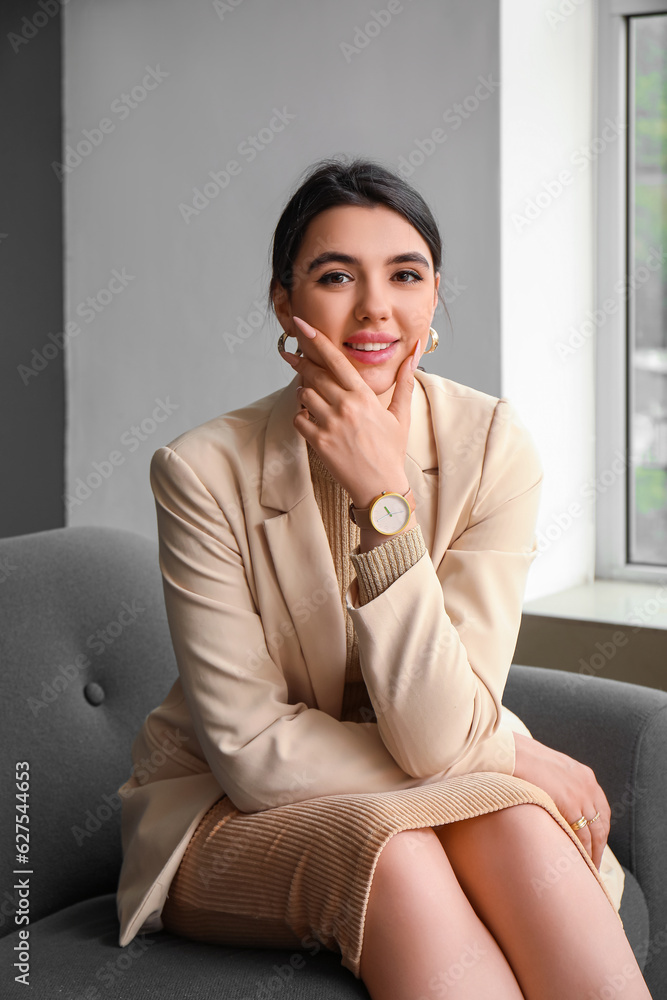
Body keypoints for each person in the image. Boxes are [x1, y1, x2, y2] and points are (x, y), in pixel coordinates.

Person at [115, 157, 650, 1000]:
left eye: (406, 274)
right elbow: (254, 756)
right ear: (285, 305)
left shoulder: (491, 446)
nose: (375, 308)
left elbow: (440, 734)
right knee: (398, 844)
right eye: (335, 276)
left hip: (424, 772)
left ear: (434, 297)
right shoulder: (199, 472)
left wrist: (381, 496)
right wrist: (502, 749)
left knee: (513, 818)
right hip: (222, 813)